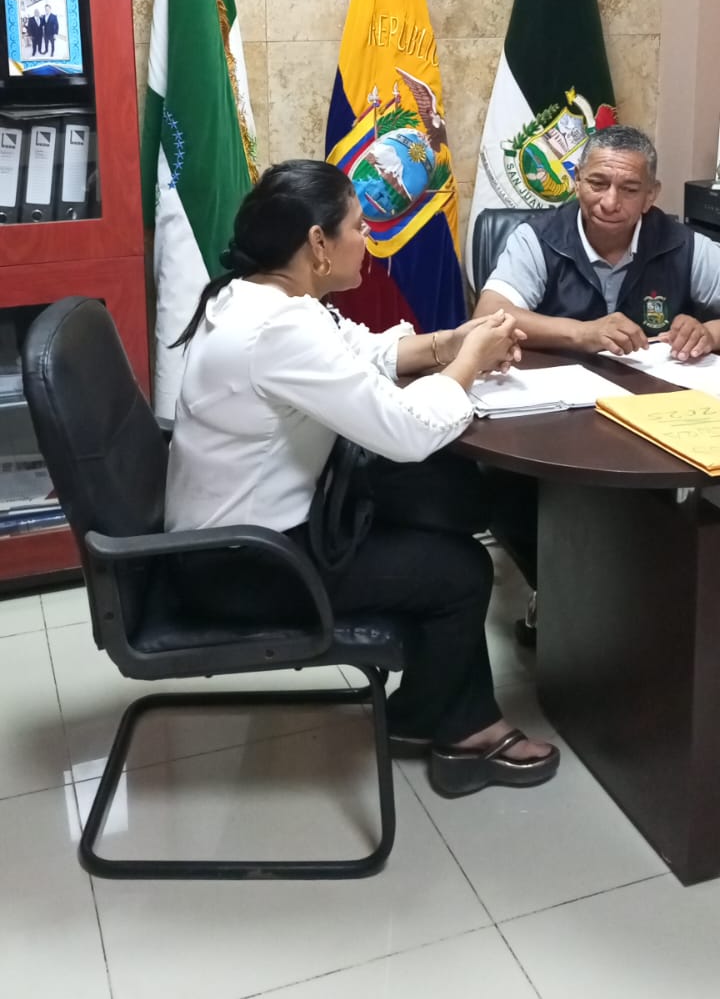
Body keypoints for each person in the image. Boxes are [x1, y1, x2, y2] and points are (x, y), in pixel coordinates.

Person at [166, 159, 559, 800]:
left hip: (241, 538)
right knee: (459, 569)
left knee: (444, 505)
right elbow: (404, 431)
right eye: (357, 225)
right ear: (318, 244)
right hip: (244, 566)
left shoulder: (260, 296)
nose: (368, 235)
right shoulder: (277, 328)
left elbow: (361, 351)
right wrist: (468, 365)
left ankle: (434, 712)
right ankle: (462, 731)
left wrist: (453, 343)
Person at [475, 124, 720, 358]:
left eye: (630, 190)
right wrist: (582, 333)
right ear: (577, 181)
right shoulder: (539, 238)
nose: (610, 203)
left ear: (650, 195)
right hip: (556, 381)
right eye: (598, 184)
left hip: (651, 385)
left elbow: (708, 334)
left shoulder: (683, 245)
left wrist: (709, 334)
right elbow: (487, 317)